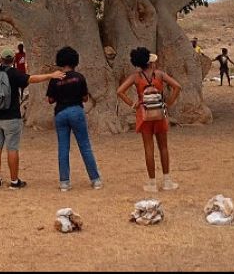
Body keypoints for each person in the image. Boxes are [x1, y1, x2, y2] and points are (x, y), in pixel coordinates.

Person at [0, 49, 64, 190]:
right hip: (11, 117)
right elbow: (31, 79)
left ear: (0, 60)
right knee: (12, 149)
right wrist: (51, 75)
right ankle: (14, 181)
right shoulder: (14, 73)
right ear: (13, 61)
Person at [117, 48, 182, 192]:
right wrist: (168, 103)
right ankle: (167, 181)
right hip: (159, 112)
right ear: (150, 63)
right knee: (163, 147)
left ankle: (152, 183)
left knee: (148, 148)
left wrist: (133, 104)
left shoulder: (136, 77)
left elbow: (119, 91)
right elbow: (177, 86)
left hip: (143, 113)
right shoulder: (159, 75)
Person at [46, 47, 102, 192]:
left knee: (63, 147)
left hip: (60, 113)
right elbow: (85, 98)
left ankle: (64, 182)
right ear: (74, 60)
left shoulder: (55, 79)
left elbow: (50, 100)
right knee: (85, 145)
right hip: (76, 111)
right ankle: (95, 180)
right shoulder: (79, 77)